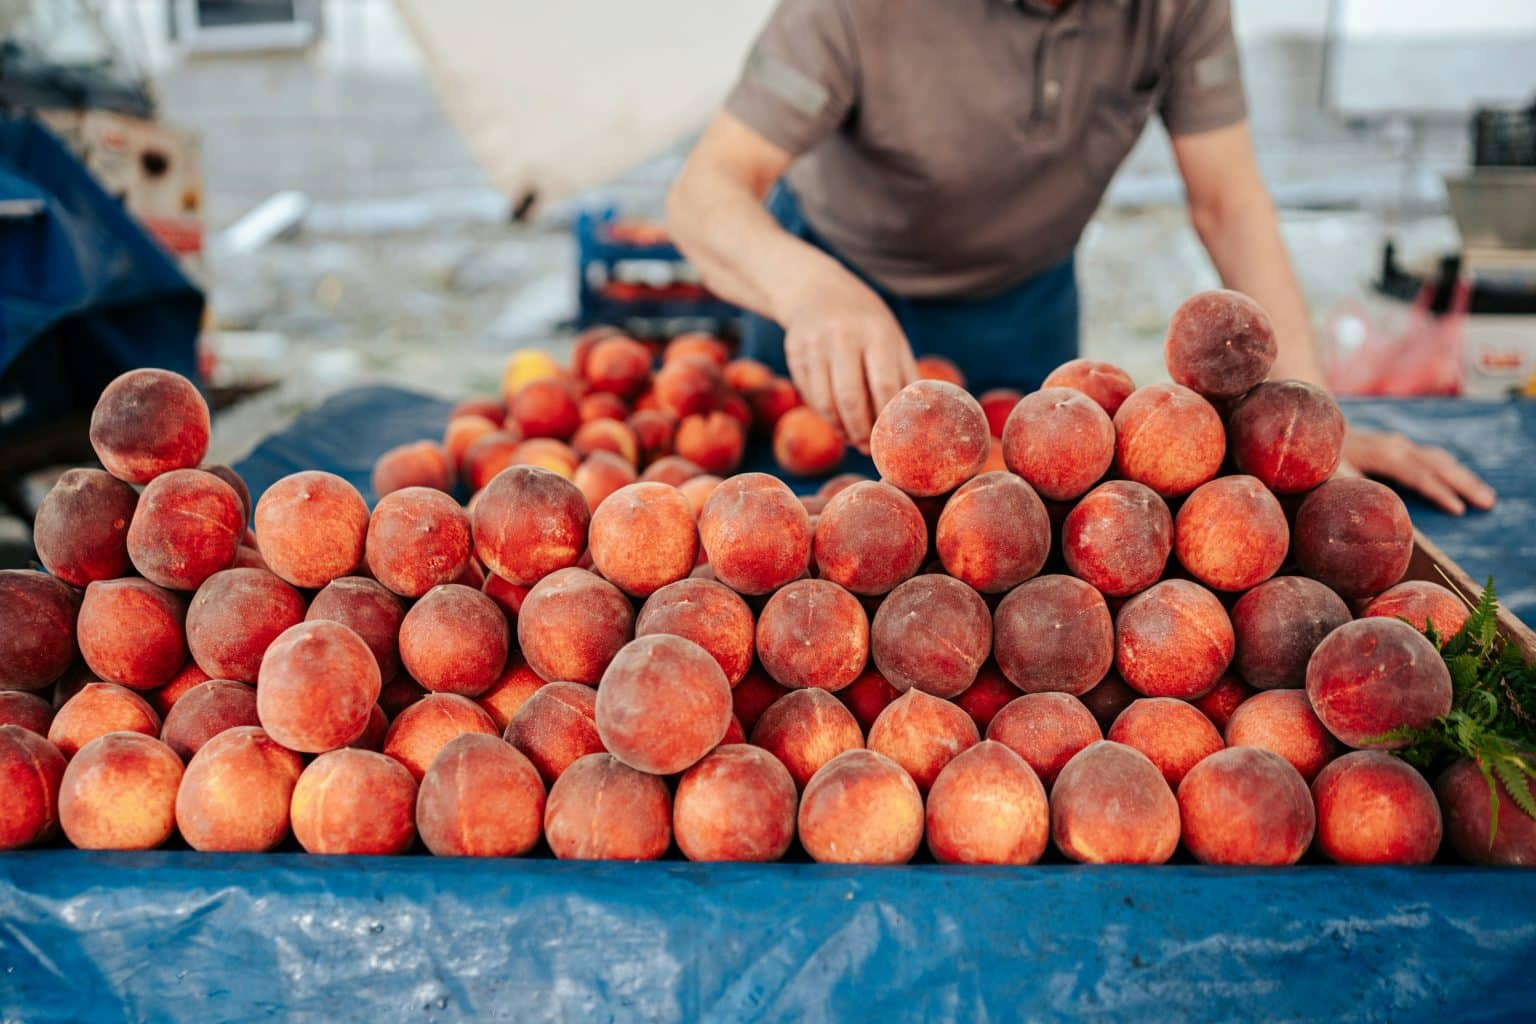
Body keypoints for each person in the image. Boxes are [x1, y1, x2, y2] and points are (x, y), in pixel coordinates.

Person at [667, 0, 1496, 515]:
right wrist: (809, 291)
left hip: (1021, 308)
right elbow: (704, 191)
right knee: (813, 534)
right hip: (834, 298)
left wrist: (1309, 422)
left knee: (1022, 542)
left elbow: (1229, 203)